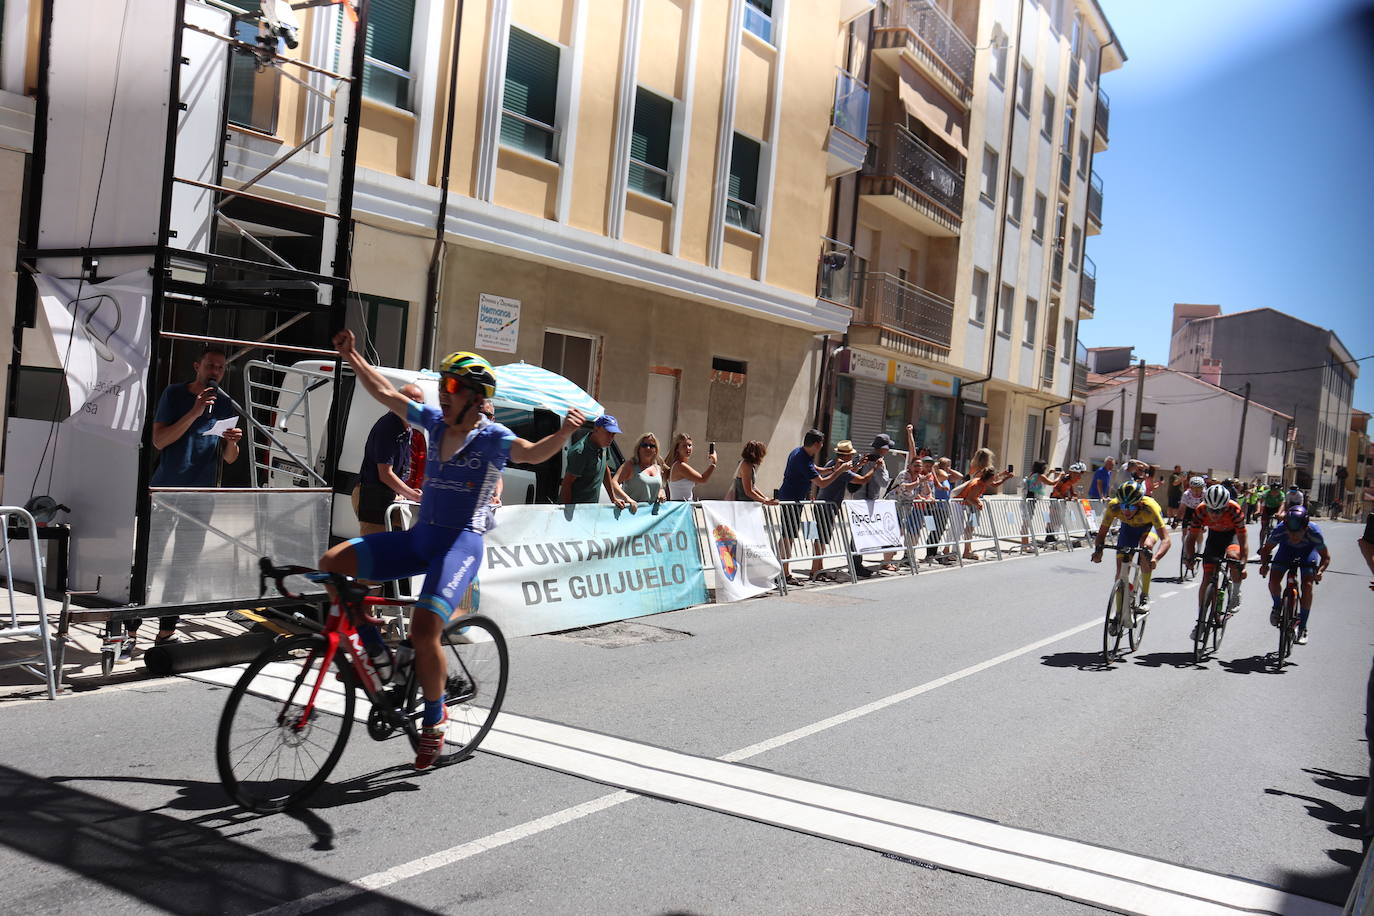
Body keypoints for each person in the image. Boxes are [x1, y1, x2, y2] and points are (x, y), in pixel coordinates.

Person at [319, 331, 587, 770]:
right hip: (421, 537)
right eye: (440, 386)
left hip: (460, 545)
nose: (441, 395)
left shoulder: (493, 437)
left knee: (424, 629)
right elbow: (385, 392)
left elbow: (534, 453)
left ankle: (435, 715)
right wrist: (351, 356)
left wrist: (564, 433)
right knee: (332, 564)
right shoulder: (436, 423)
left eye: (450, 388)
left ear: (476, 397)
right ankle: (379, 654)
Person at [127, 344, 245, 659]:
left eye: (220, 368)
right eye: (210, 366)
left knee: (183, 564)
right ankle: (129, 631)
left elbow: (230, 459)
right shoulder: (175, 395)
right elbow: (159, 440)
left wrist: (233, 443)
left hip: (201, 495)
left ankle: (166, 632)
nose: (215, 372)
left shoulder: (225, 403)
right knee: (149, 563)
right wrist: (194, 412)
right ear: (197, 365)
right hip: (166, 491)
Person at [776, 429, 853, 584]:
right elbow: (822, 482)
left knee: (787, 535)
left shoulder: (800, 452)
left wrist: (832, 469)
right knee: (788, 537)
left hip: (793, 498)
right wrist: (840, 471)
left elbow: (816, 470)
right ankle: (784, 574)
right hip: (792, 500)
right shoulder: (802, 459)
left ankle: (781, 570)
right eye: (822, 443)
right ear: (818, 444)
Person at [1090, 481, 1172, 626]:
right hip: (1128, 529)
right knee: (1120, 570)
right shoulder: (1114, 506)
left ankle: (1145, 596)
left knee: (1145, 547)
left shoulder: (1150, 508)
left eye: (1131, 506)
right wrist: (1098, 551)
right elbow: (1101, 533)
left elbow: (1166, 539)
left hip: (1148, 527)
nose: (1126, 511)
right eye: (1123, 506)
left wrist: (1156, 558)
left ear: (1139, 503)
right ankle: (1119, 613)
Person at [353, 383, 426, 536]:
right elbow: (385, 474)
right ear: (397, 401)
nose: (417, 409)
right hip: (373, 495)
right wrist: (413, 495)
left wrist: (408, 492)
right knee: (374, 551)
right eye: (411, 403)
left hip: (391, 496)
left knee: (396, 549)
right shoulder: (388, 427)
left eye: (420, 405)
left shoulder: (407, 427)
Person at [1258, 505, 1329, 646]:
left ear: (1306, 528)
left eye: (1297, 533)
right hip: (1285, 552)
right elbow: (1266, 550)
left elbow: (1325, 557)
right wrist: (1264, 565)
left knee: (1307, 586)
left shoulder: (1314, 533)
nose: (1293, 536)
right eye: (1290, 533)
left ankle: (1302, 627)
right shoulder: (1280, 530)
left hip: (1307, 553)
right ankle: (1277, 606)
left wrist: (1320, 571)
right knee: (1273, 581)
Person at [1192, 483, 1249, 641]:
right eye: (1212, 510)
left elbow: (1243, 539)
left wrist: (1243, 562)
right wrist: (1189, 558)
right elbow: (1191, 537)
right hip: (1214, 538)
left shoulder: (1234, 510)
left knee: (1232, 556)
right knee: (1207, 578)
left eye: (1219, 511)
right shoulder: (1200, 510)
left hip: (1232, 536)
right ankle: (1201, 620)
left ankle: (1236, 591)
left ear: (1225, 506)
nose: (1215, 514)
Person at [561, 415, 632, 509]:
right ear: (596, 429)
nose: (611, 437)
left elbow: (605, 469)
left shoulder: (605, 446)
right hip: (577, 509)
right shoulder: (580, 452)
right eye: (608, 432)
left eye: (613, 434)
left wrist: (613, 498)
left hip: (591, 509)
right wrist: (568, 511)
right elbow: (567, 484)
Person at [852, 434, 897, 574]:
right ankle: (856, 565)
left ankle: (855, 563)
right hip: (867, 501)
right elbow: (884, 482)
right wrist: (881, 468)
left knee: (858, 532)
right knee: (859, 533)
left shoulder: (864, 457)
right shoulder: (878, 461)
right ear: (883, 449)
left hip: (859, 499)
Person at [615, 432, 667, 506]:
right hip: (633, 513)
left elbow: (659, 488)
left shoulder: (657, 468)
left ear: (656, 450)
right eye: (644, 445)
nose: (648, 448)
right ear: (638, 448)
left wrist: (661, 494)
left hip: (653, 515)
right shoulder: (630, 465)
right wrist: (627, 499)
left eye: (652, 446)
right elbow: (614, 483)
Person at [1020, 460, 1061, 551]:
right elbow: (1052, 483)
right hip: (1031, 500)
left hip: (1027, 499)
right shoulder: (1040, 476)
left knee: (1026, 523)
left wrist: (1050, 472)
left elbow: (1041, 481)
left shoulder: (1033, 474)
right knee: (1026, 523)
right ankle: (1025, 546)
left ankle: (1025, 544)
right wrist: (1059, 476)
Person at [666, 434, 717, 501]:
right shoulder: (680, 466)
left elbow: (697, 480)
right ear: (677, 449)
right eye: (684, 446)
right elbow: (703, 479)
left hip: (684, 505)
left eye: (689, 445)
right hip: (680, 507)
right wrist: (713, 463)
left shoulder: (680, 465)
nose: (688, 448)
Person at [729, 440, 778, 505]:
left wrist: (765, 498)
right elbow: (748, 491)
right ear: (754, 454)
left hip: (746, 504)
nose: (762, 458)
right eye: (761, 455)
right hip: (743, 505)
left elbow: (752, 487)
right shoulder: (746, 465)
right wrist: (765, 501)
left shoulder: (749, 465)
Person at [1179, 475, 1206, 562]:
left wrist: (1204, 524)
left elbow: (1208, 510)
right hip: (1189, 511)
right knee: (1184, 532)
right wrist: (1177, 519)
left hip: (1201, 512)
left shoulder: (1205, 494)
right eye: (1194, 488)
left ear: (1203, 488)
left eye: (1199, 488)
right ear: (1190, 488)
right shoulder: (1186, 494)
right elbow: (1182, 508)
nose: (1197, 491)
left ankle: (1198, 551)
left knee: (1200, 532)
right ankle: (1185, 550)